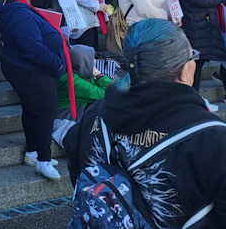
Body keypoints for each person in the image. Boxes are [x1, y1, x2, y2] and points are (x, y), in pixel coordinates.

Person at [64, 19, 226, 228]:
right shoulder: (211, 137)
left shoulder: (95, 114)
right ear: (184, 70)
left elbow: (79, 173)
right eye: (192, 55)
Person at [0, 0, 66, 181]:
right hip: (30, 69)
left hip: (28, 68)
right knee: (45, 112)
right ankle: (43, 159)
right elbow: (32, 47)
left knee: (32, 110)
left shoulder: (21, 11)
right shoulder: (21, 14)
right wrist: (57, 64)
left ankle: (33, 152)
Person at [167, 0, 226, 96]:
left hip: (195, 22)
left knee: (197, 64)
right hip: (196, 23)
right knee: (196, 65)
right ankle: (193, 100)